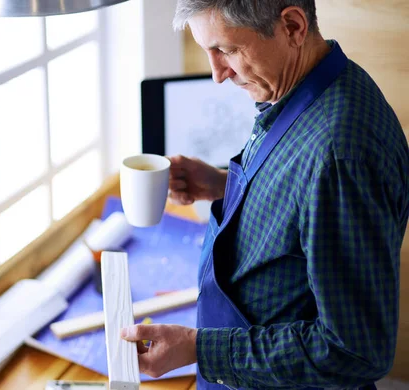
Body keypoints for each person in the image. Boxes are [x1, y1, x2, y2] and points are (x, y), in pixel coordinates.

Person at [119, 1, 409, 389]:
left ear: (292, 26)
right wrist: (222, 185)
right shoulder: (303, 89)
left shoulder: (341, 153)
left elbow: (355, 349)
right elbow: (305, 207)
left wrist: (198, 349)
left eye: (228, 50)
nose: (217, 74)